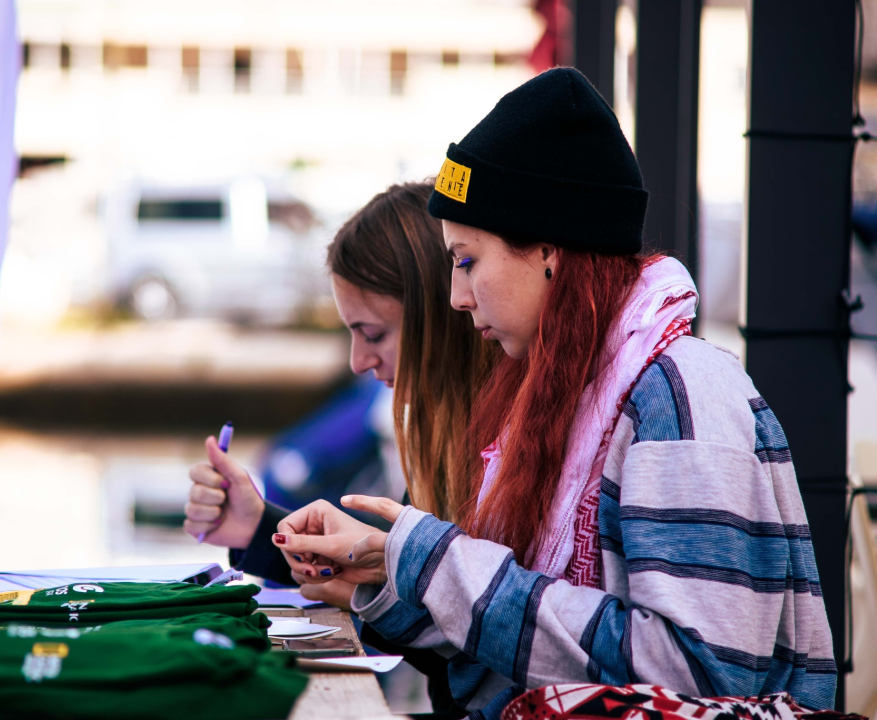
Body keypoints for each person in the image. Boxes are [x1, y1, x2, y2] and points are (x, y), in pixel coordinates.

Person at [269, 68, 836, 719]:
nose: (456, 296)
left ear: (547, 250)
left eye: (466, 260)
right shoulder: (570, 389)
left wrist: (436, 563)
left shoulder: (680, 398)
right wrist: (390, 576)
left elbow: (698, 676)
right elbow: (524, 641)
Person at [182, 181, 496, 602]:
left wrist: (361, 592)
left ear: (445, 317)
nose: (358, 362)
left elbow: (463, 615)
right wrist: (256, 527)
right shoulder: (440, 434)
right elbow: (416, 586)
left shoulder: (504, 453)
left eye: (373, 334)